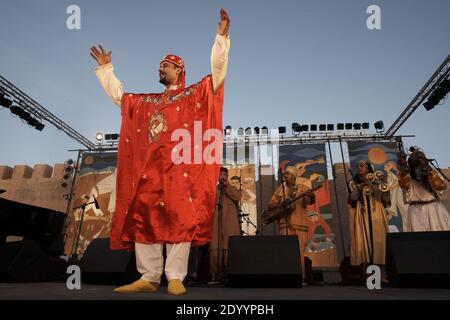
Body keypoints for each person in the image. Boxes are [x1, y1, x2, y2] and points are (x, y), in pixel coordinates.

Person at [90, 8, 231, 295]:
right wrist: (106, 70)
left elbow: (217, 75)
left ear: (179, 70)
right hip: (150, 172)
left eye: (165, 65)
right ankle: (149, 277)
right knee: (144, 215)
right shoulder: (148, 102)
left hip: (180, 169)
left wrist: (221, 39)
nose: (160, 68)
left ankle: (176, 276)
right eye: (159, 65)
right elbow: (121, 98)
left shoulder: (192, 95)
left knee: (179, 216)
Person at [267, 166, 315, 280]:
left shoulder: (303, 187)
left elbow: (309, 201)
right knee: (285, 253)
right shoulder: (281, 189)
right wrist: (281, 204)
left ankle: (300, 278)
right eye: (285, 174)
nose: (285, 175)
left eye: (287, 174)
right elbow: (270, 205)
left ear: (293, 176)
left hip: (300, 226)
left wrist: (309, 196)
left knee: (299, 253)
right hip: (284, 225)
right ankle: (286, 278)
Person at [347, 161, 390, 266]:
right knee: (363, 240)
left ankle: (382, 270)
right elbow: (353, 198)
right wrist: (362, 186)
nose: (359, 167)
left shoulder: (378, 181)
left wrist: (384, 187)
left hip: (377, 213)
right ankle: (367, 272)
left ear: (369, 168)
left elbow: (386, 200)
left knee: (379, 240)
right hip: (362, 214)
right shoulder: (353, 183)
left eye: (362, 166)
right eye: (357, 166)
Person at [398, 148, 450, 231]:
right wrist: (403, 168)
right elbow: (404, 185)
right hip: (416, 211)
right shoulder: (408, 176)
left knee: (440, 238)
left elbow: (441, 186)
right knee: (420, 240)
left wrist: (429, 174)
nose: (420, 160)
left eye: (421, 157)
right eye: (417, 158)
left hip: (434, 208)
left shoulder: (432, 172)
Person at [210, 167, 242, 282]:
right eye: (221, 174)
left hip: (229, 224)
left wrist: (226, 186)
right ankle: (215, 276)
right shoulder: (214, 190)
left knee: (228, 248)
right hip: (216, 225)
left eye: (224, 174)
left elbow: (238, 197)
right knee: (215, 249)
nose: (222, 176)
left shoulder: (231, 188)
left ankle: (229, 275)